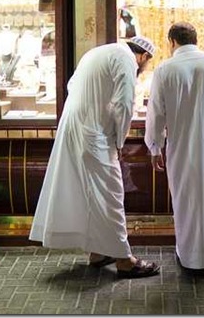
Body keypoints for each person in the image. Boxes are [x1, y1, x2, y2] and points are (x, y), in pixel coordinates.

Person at [29, 36, 160, 279]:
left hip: (74, 127)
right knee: (111, 193)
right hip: (93, 133)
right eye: (146, 64)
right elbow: (124, 103)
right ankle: (124, 260)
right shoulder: (126, 60)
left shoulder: (98, 52)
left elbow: (73, 86)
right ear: (143, 56)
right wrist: (120, 141)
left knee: (91, 192)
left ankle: (99, 252)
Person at [144, 22, 204, 275]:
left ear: (172, 42)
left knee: (188, 202)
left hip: (184, 149)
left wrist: (155, 147)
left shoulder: (165, 69)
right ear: (195, 40)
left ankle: (191, 261)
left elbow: (155, 113)